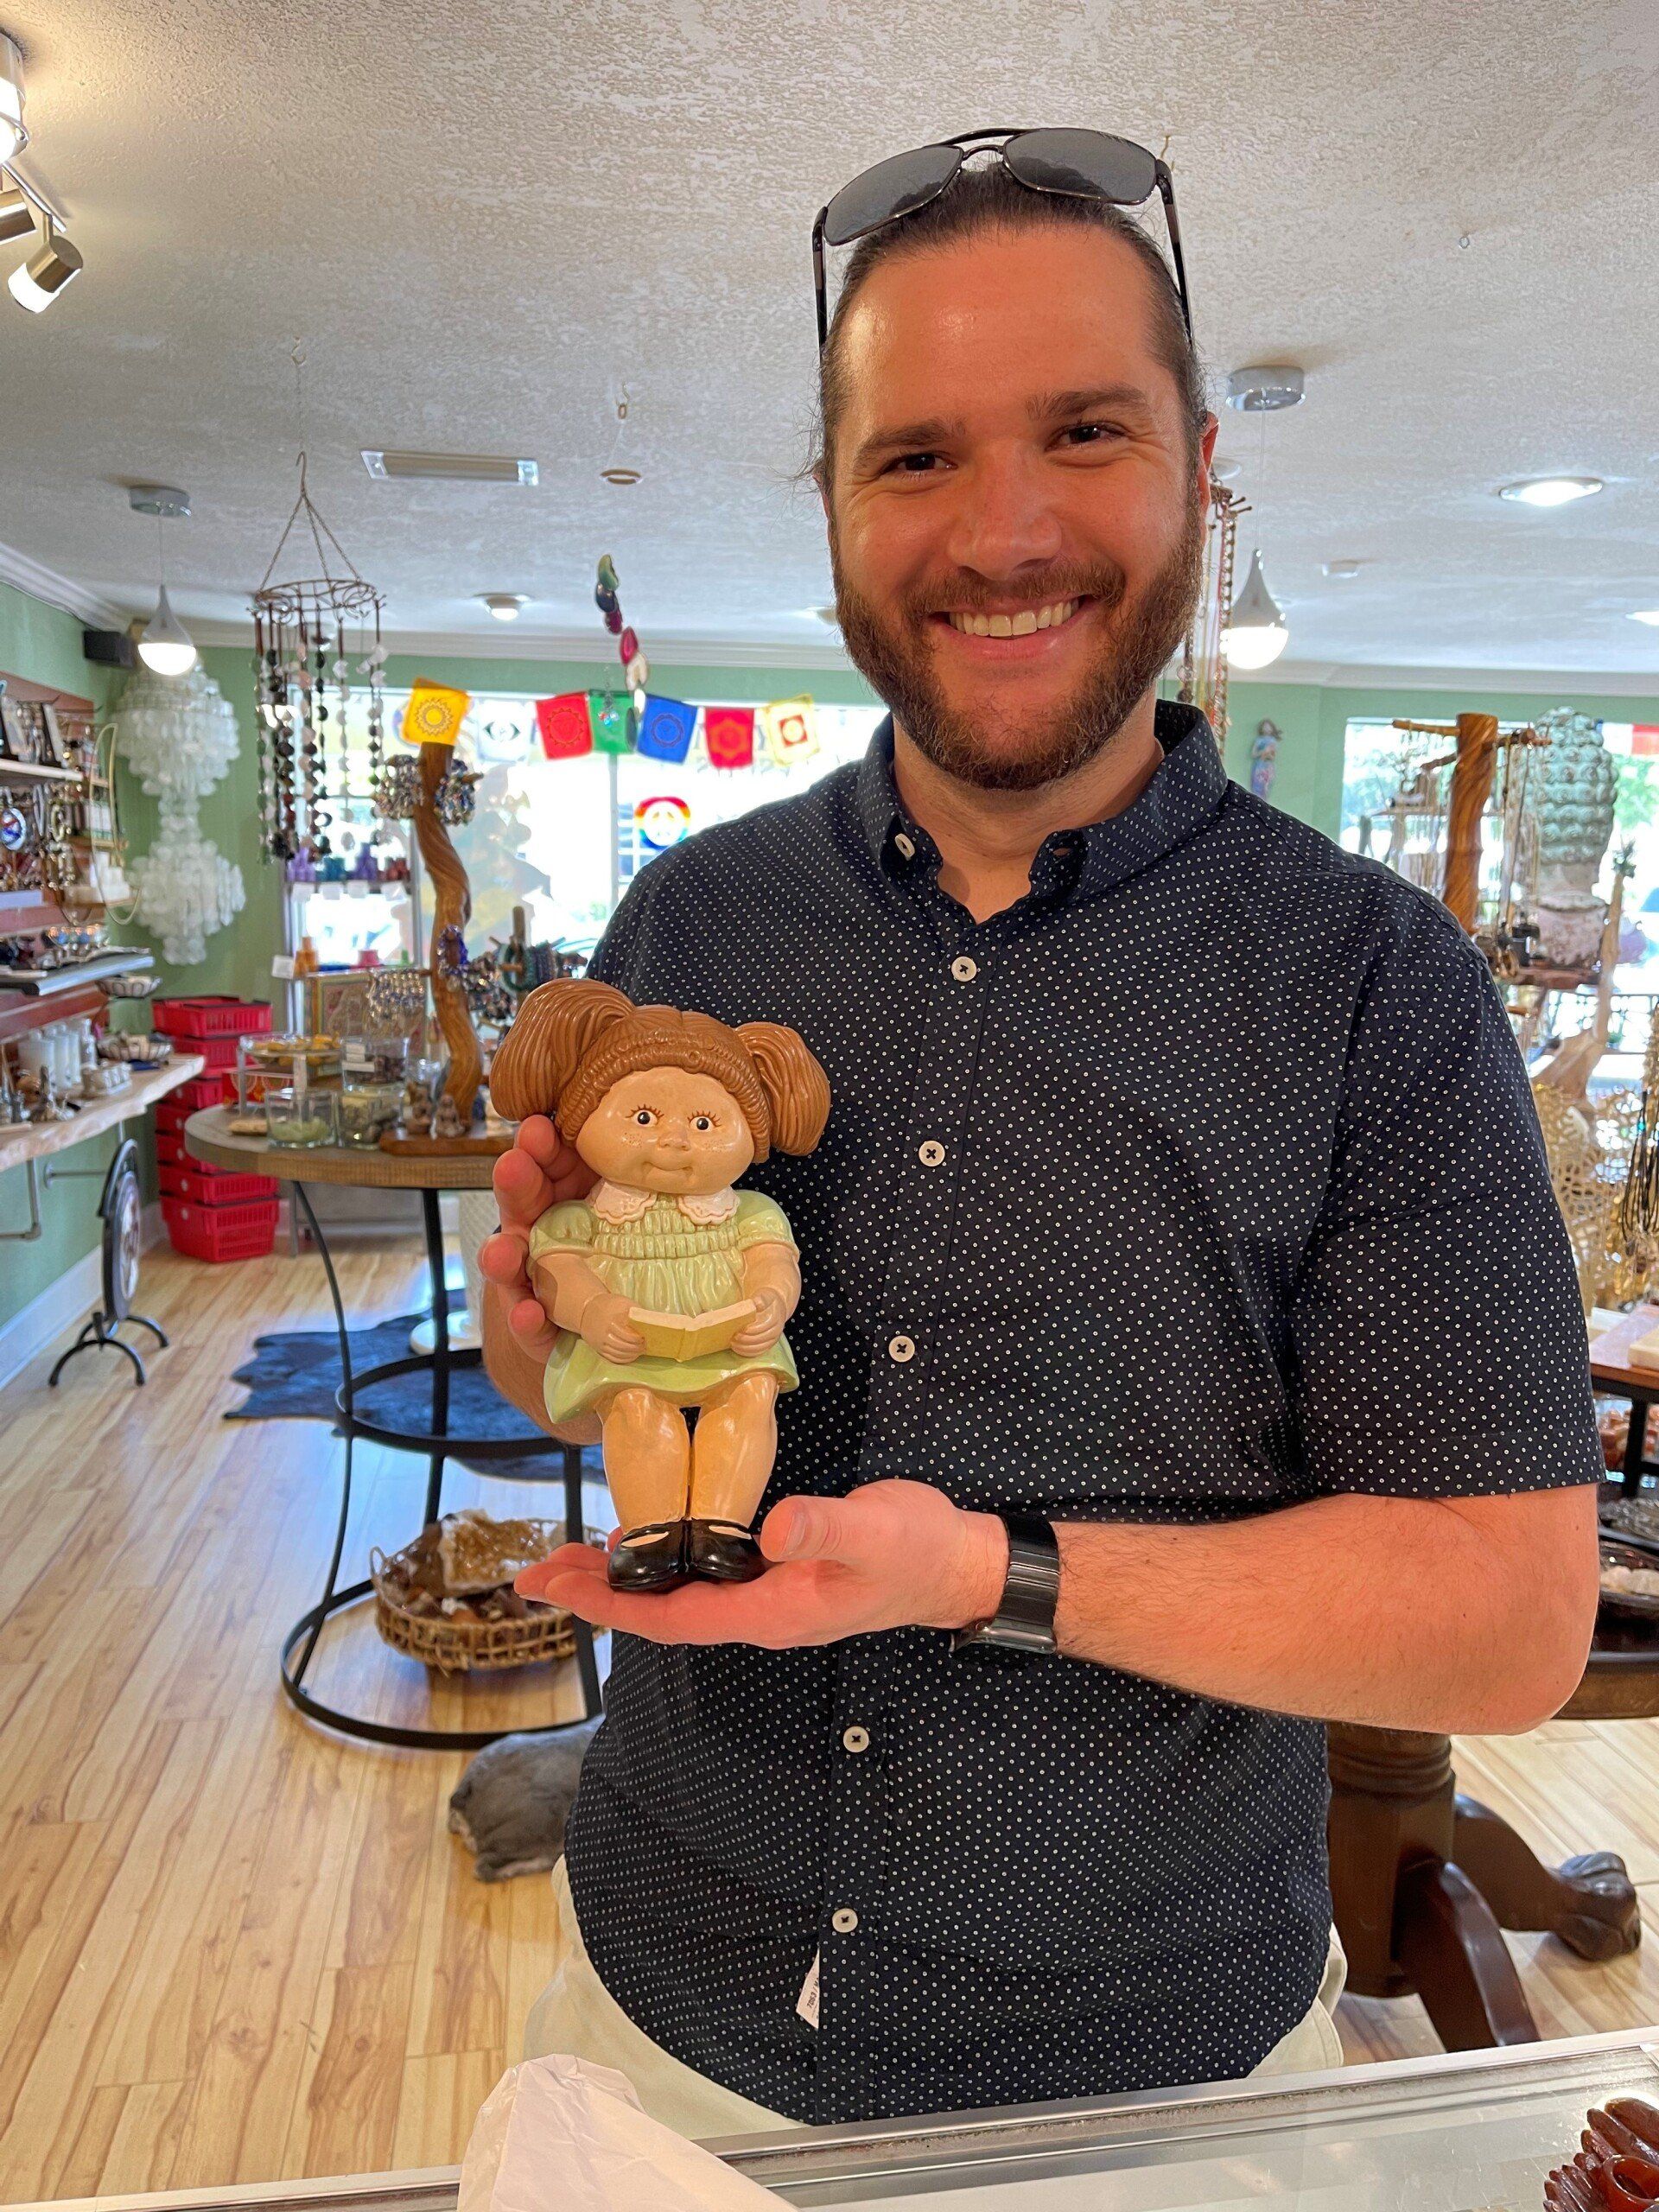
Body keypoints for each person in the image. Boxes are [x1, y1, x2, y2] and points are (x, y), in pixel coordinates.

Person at [480, 132, 1602, 2138]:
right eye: (915, 455)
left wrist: (981, 1573)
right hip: (665, 1989)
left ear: (1201, 471)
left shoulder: (1375, 982)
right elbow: (611, 1362)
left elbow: (1507, 1617)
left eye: (1084, 430)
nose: (1003, 534)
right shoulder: (694, 921)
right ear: (835, 505)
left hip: (1149, 2072)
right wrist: (537, 1341)